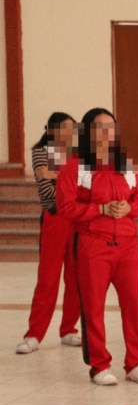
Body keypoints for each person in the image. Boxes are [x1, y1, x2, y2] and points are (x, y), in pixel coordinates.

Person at [57, 107, 138, 386]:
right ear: (88, 132)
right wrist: (99, 209)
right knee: (94, 307)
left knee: (135, 305)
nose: (107, 133)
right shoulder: (75, 166)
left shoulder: (127, 165)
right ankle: (99, 365)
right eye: (101, 127)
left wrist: (128, 208)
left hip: (127, 245)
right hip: (92, 244)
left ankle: (136, 362)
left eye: (111, 127)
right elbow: (66, 207)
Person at [17, 112, 81, 354]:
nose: (72, 133)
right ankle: (34, 334)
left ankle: (69, 329)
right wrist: (67, 181)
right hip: (54, 218)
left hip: (75, 221)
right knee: (48, 278)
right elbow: (45, 185)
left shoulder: (77, 154)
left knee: (76, 278)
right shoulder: (41, 151)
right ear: (54, 130)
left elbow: (81, 184)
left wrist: (57, 176)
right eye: (67, 128)